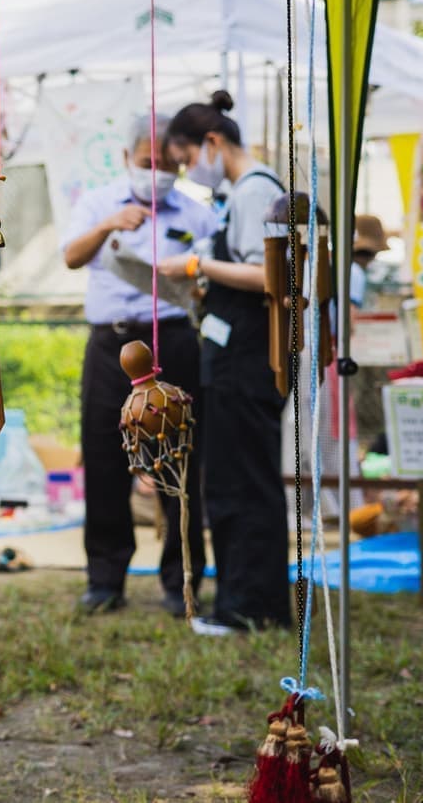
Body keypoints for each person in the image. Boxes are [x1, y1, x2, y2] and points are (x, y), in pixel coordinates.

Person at [61, 114, 216, 617]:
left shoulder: (197, 213)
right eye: (149, 162)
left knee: (181, 457)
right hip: (112, 344)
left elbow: (212, 279)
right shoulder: (98, 202)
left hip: (173, 340)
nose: (158, 172)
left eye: (168, 164)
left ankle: (182, 580)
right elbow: (71, 256)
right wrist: (108, 225)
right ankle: (105, 579)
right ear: (128, 157)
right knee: (104, 459)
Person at [158, 90, 288, 636]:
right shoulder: (243, 192)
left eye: (188, 158)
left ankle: (250, 606)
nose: (189, 170)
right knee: (232, 480)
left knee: (245, 482)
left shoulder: (256, 190)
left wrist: (195, 265)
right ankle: (242, 599)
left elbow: (268, 275)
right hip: (232, 357)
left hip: (247, 359)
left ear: (212, 142)